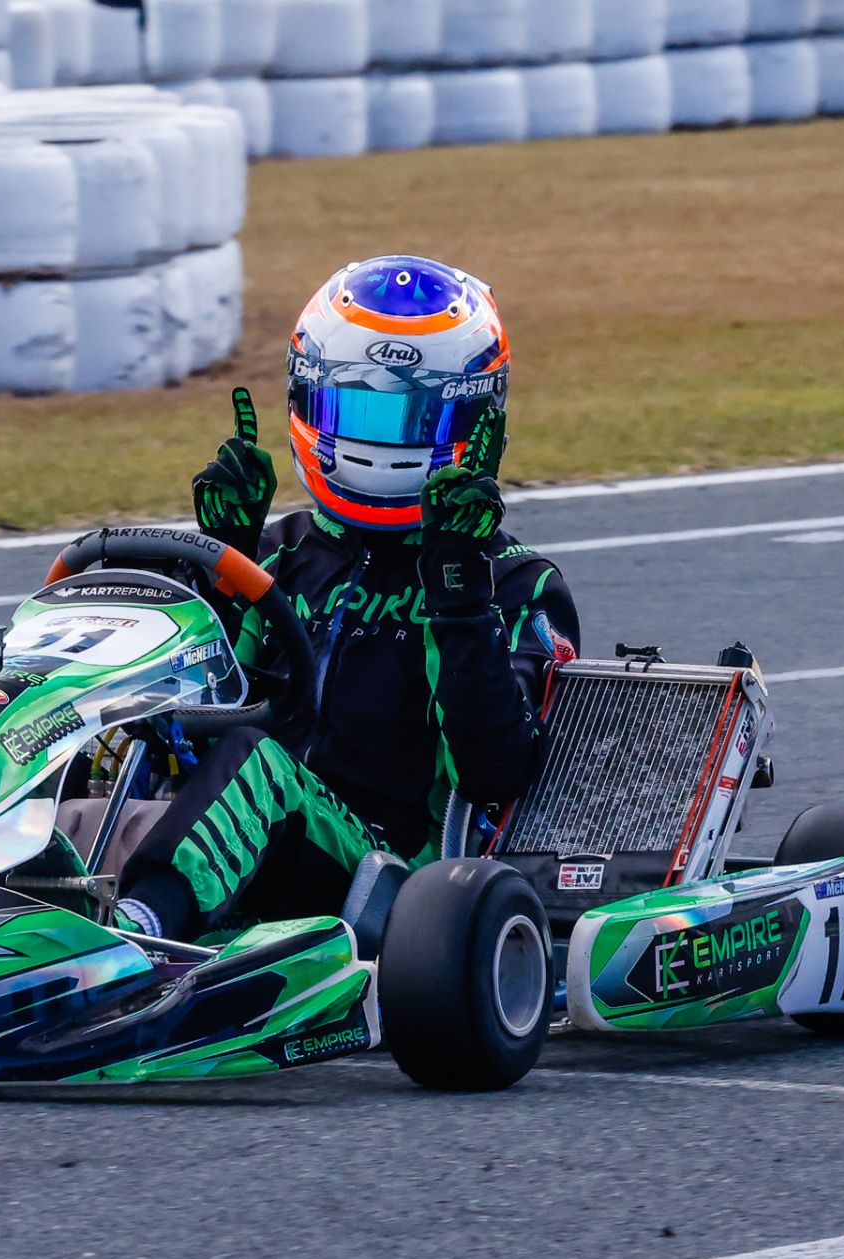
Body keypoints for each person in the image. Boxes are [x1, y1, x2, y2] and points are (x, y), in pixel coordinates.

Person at [111, 255, 580, 942]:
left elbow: (495, 770)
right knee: (89, 741)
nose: (377, 442)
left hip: (395, 882)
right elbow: (192, 714)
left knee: (260, 766)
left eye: (410, 418)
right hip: (254, 840)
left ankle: (135, 932)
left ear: (474, 420)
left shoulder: (514, 583)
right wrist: (219, 578)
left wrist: (456, 587)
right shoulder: (279, 552)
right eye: (355, 409)